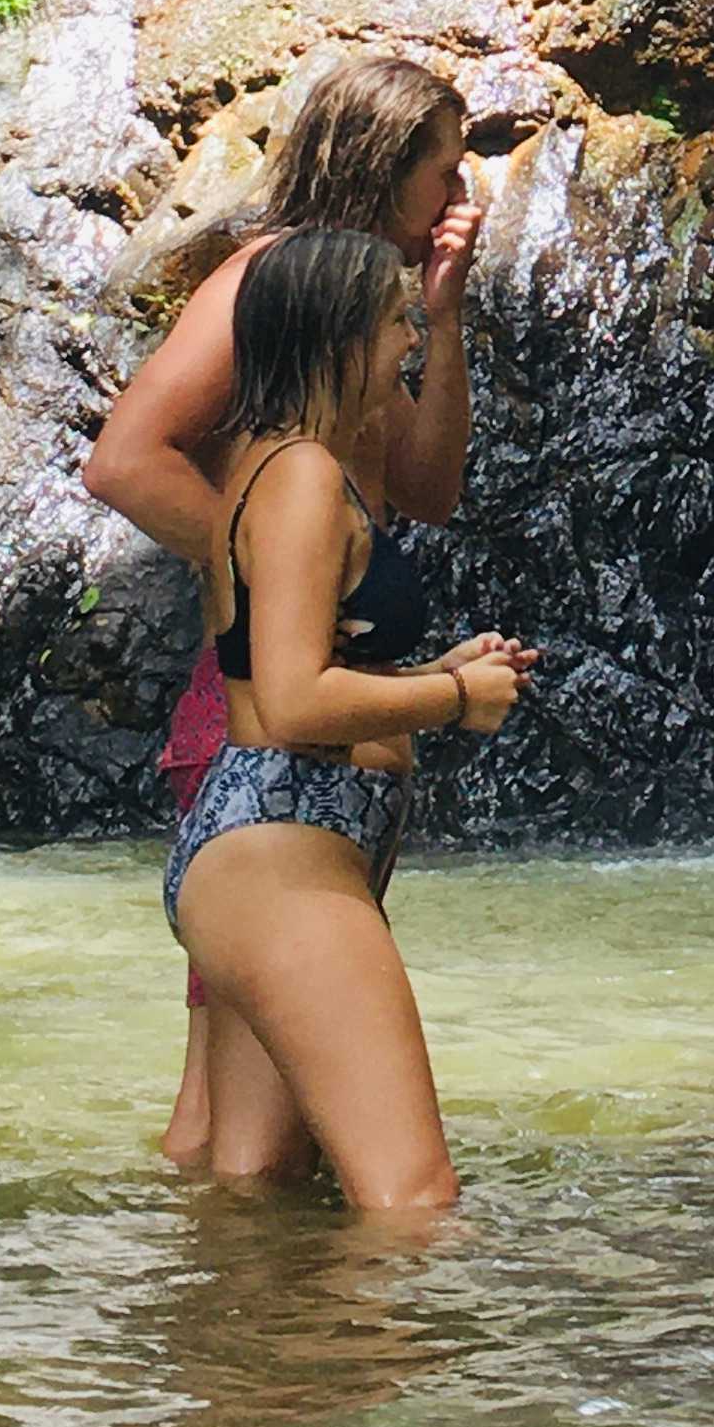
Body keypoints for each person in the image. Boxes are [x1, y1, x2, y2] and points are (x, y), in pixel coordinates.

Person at [84, 51, 485, 1163]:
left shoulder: (364, 315)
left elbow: (429, 490)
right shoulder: (271, 282)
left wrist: (442, 322)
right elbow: (122, 460)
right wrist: (270, 562)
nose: (461, 200)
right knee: (256, 1138)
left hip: (316, 741)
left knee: (242, 1127)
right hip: (262, 725)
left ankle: (233, 1321)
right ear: (379, 165)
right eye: (444, 173)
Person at [162, 224, 531, 1209]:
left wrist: (424, 671)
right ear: (335, 336)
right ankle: (385, 1367)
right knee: (413, 1200)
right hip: (284, 853)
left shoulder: (280, 463)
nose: (410, 339)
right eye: (394, 322)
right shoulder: (301, 477)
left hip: (270, 851)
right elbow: (289, 703)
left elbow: (303, 664)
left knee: (256, 1195)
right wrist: (452, 698)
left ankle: (250, 1366)